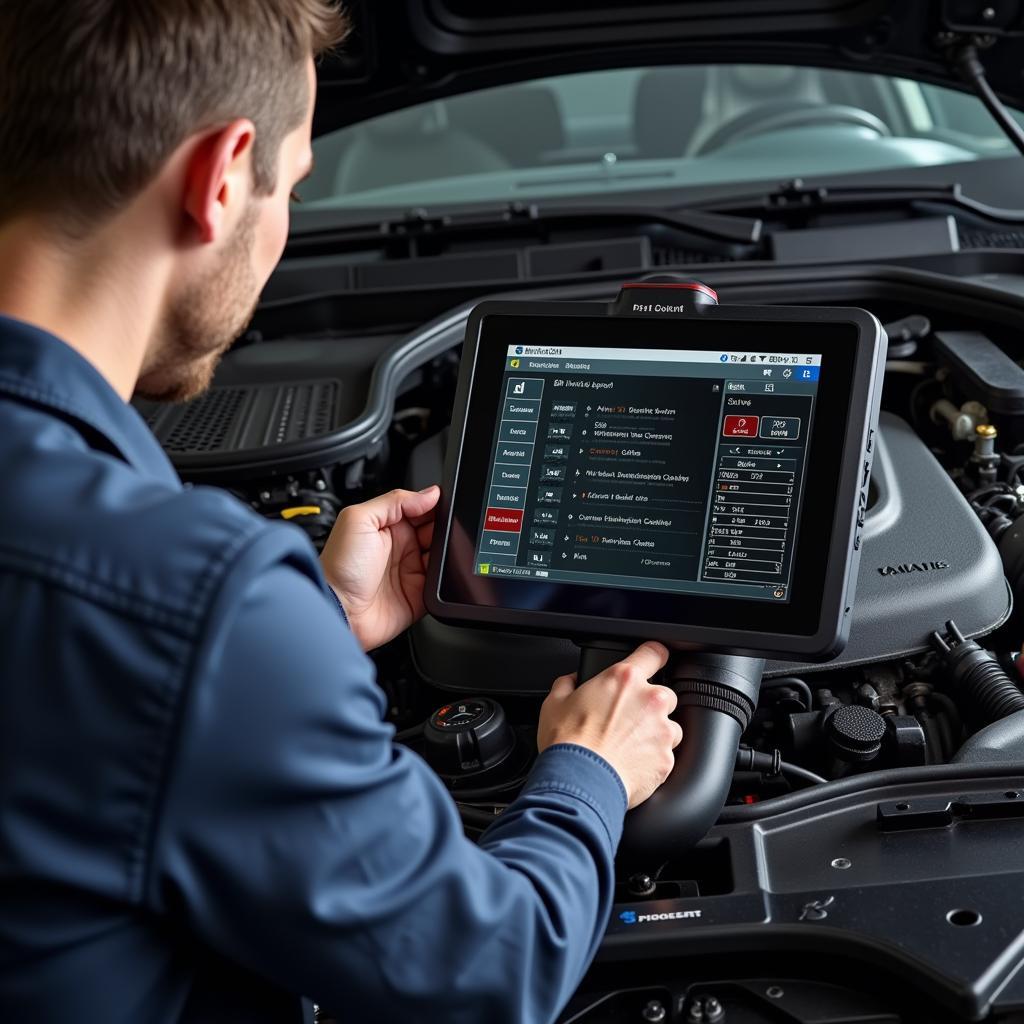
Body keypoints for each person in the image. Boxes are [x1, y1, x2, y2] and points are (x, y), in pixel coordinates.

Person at [0, 3, 683, 1022]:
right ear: (220, 176)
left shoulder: (157, 599)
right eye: (297, 182)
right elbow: (492, 969)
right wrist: (585, 770)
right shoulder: (194, 601)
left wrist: (309, 623)